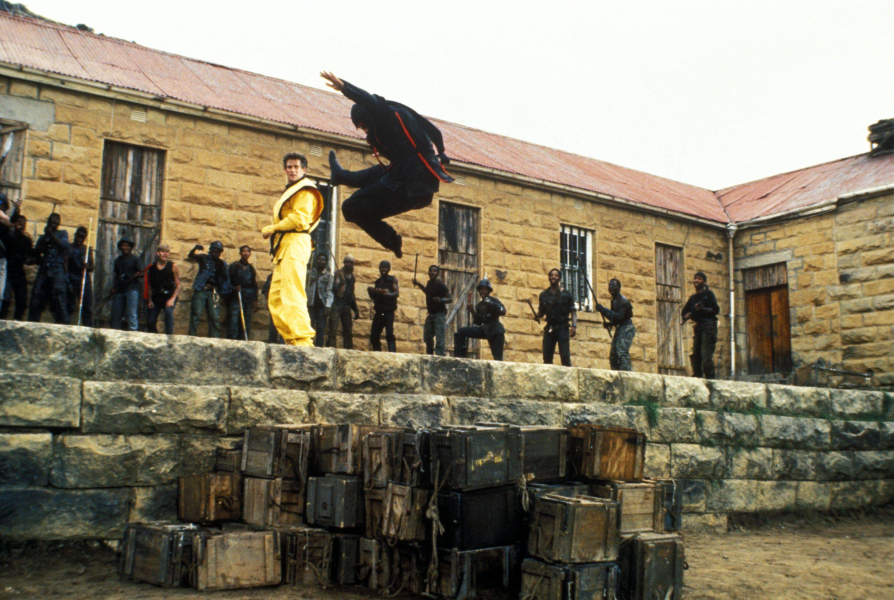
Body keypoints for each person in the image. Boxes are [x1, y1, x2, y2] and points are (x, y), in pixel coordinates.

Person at [321, 72, 453, 257]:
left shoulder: (383, 116)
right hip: (420, 185)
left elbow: (369, 101)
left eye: (364, 127)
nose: (365, 132)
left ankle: (390, 239)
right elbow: (435, 131)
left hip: (408, 186)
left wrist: (344, 87)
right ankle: (341, 176)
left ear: (369, 119)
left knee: (350, 208)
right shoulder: (401, 112)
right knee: (378, 172)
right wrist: (442, 153)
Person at [261, 152, 324, 347]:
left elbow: (300, 219)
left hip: (295, 243)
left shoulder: (305, 191)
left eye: (296, 167)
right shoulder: (293, 190)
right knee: (276, 297)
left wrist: (273, 228)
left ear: (304, 170)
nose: (292, 170)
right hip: (285, 246)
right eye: (289, 167)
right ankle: (292, 338)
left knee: (292, 292)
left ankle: (303, 340)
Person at [28, 212, 70, 324]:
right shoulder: (43, 237)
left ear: (59, 222)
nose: (55, 221)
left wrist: (51, 234)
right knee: (37, 294)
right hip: (44, 269)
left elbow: (63, 245)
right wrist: (45, 238)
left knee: (59, 295)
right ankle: (32, 321)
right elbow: (37, 252)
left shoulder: (62, 233)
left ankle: (64, 323)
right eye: (52, 219)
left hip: (57, 269)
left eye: (57, 219)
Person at [455, 277, 506, 361]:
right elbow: (478, 322)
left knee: (497, 358)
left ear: (489, 291)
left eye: (485, 289)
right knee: (461, 331)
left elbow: (503, 311)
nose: (483, 291)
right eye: (481, 289)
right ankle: (460, 358)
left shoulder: (494, 300)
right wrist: (472, 311)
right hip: (485, 329)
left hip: (496, 331)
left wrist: (491, 303)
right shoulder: (479, 305)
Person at [682, 271, 720, 379]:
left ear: (704, 281)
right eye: (695, 278)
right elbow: (684, 312)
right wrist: (686, 316)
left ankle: (710, 379)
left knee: (706, 355)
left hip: (709, 326)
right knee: (696, 354)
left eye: (699, 278)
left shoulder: (708, 295)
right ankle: (697, 376)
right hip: (699, 327)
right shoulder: (693, 298)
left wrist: (702, 309)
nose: (696, 280)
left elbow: (715, 310)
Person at [187, 241, 229, 338]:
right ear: (211, 250)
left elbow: (224, 279)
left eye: (218, 251)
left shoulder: (222, 264)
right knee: (196, 313)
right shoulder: (204, 258)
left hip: (213, 291)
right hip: (201, 289)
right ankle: (192, 336)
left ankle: (214, 338)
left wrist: (222, 291)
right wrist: (195, 248)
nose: (216, 253)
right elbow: (191, 255)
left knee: (214, 316)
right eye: (214, 250)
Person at [536, 268, 577, 366]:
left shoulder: (566, 294)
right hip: (550, 327)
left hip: (562, 327)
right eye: (551, 275)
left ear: (559, 278)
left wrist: (574, 325)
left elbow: (573, 311)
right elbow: (541, 312)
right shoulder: (544, 295)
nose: (553, 277)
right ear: (549, 278)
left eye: (556, 275)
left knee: (565, 356)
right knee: (547, 357)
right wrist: (537, 316)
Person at [596, 278, 635, 371]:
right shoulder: (614, 301)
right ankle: (616, 372)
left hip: (627, 328)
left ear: (619, 288)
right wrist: (610, 324)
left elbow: (618, 317)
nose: (611, 287)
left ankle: (627, 373)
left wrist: (603, 309)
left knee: (621, 352)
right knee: (613, 355)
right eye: (610, 286)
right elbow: (615, 319)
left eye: (613, 286)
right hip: (620, 328)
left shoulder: (623, 301)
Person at [412, 264, 452, 356]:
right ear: (428, 272)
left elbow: (450, 299)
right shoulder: (429, 283)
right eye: (431, 271)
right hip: (431, 314)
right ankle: (429, 356)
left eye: (434, 271)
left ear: (437, 273)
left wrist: (441, 300)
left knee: (439, 338)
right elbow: (427, 292)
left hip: (439, 314)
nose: (432, 272)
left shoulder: (441, 285)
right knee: (428, 337)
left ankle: (440, 357)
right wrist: (418, 284)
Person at [0, 213, 32, 320]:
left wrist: (30, 259)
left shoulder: (27, 240)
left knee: (22, 299)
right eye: (19, 223)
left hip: (19, 272)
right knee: (5, 298)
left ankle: (18, 320)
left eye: (23, 224)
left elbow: (31, 254)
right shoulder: (8, 237)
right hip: (8, 271)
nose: (20, 226)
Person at [145, 243, 181, 334]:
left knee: (168, 312)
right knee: (150, 321)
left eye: (167, 252)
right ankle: (155, 337)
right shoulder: (152, 268)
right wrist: (150, 300)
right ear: (157, 253)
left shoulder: (173, 266)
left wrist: (172, 299)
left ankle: (169, 337)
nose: (165, 254)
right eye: (162, 251)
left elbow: (178, 285)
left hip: (169, 296)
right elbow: (149, 285)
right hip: (157, 297)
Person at [109, 236, 142, 331]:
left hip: (132, 289)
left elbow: (142, 273)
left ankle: (133, 332)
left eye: (127, 246)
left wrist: (137, 275)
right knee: (116, 313)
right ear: (120, 247)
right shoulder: (117, 261)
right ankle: (115, 332)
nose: (125, 248)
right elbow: (116, 275)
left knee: (131, 313)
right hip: (120, 289)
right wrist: (114, 287)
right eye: (123, 245)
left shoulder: (135, 259)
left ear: (130, 247)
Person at [327, 254, 359, 349]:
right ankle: (331, 349)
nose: (348, 264)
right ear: (344, 263)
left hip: (347, 305)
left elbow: (352, 293)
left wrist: (355, 309)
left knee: (348, 330)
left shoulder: (352, 276)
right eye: (347, 262)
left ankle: (348, 351)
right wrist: (339, 284)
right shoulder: (338, 273)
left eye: (350, 263)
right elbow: (334, 289)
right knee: (333, 329)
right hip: (337, 305)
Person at [227, 245, 258, 340]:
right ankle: (232, 340)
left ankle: (244, 340)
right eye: (244, 251)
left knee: (246, 320)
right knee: (234, 319)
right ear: (240, 253)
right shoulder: (234, 266)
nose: (246, 253)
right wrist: (234, 288)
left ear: (250, 254)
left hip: (248, 298)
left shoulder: (251, 269)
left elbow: (254, 285)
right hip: (236, 297)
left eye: (248, 251)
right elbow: (227, 281)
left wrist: (255, 300)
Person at [368, 259, 399, 352]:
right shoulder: (378, 282)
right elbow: (374, 297)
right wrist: (372, 291)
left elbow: (396, 293)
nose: (383, 269)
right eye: (382, 267)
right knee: (374, 336)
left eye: (385, 267)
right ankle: (377, 353)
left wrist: (387, 293)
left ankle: (393, 354)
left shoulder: (392, 279)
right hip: (379, 311)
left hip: (389, 311)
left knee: (389, 335)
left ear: (388, 269)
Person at [305, 252, 334, 347]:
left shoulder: (329, 276)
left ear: (326, 262)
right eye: (319, 259)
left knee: (321, 328)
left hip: (322, 306)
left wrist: (328, 306)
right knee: (309, 327)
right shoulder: (309, 274)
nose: (321, 261)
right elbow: (305, 288)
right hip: (310, 305)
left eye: (323, 260)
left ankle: (319, 348)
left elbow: (329, 291)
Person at [67, 226, 94, 326]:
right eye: (78, 236)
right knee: (69, 306)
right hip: (71, 279)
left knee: (87, 307)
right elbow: (65, 264)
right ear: (75, 235)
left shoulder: (87, 250)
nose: (79, 239)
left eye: (82, 238)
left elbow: (92, 267)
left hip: (84, 280)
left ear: (85, 238)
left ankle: (88, 328)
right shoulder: (69, 248)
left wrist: (87, 266)